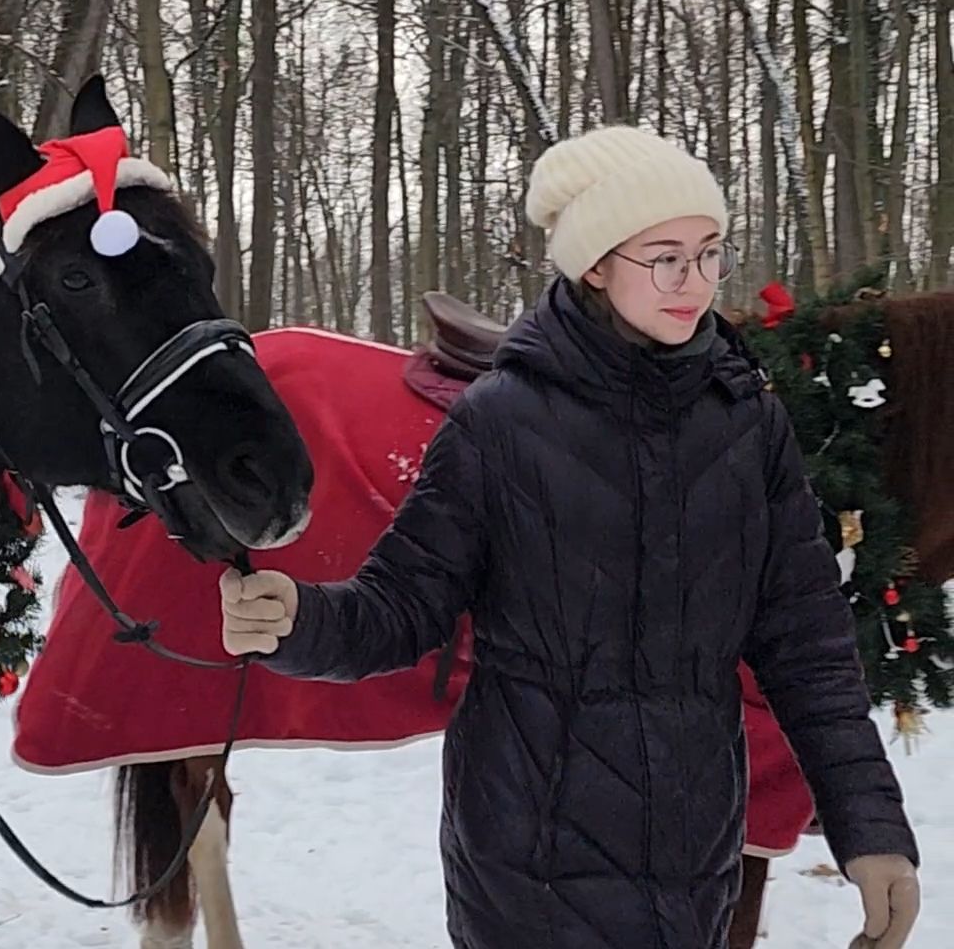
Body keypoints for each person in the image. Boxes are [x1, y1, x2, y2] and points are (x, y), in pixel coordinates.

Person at [219, 126, 921, 949]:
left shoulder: (746, 420)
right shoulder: (501, 421)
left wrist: (871, 830)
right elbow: (404, 605)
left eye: (709, 253)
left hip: (696, 866)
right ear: (594, 264)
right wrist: (298, 621)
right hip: (528, 863)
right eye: (664, 257)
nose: (692, 282)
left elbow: (806, 642)